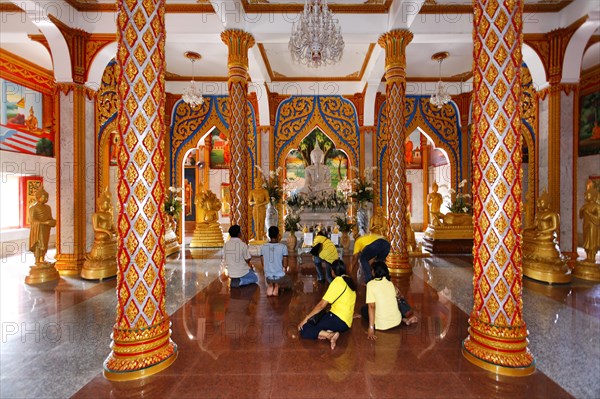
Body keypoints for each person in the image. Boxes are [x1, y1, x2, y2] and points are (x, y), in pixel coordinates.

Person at [298, 260, 356, 350]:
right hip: (346, 324)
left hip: (337, 319)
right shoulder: (349, 280)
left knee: (304, 329)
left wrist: (306, 319)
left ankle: (329, 335)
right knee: (320, 320)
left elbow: (322, 305)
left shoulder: (337, 282)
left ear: (333, 271)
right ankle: (326, 332)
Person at [360, 262, 417, 341]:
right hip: (397, 321)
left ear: (374, 272)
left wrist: (371, 328)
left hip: (382, 325)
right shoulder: (390, 283)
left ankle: (402, 320)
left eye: (372, 270)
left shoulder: (370, 285)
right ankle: (404, 319)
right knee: (390, 303)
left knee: (364, 309)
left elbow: (371, 306)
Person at [260, 226, 292, 296]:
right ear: (278, 235)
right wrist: (285, 270)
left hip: (268, 277)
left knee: (271, 279)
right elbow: (285, 265)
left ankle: (271, 285)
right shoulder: (283, 247)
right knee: (290, 282)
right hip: (280, 277)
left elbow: (263, 264)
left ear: (268, 235)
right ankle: (278, 286)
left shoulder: (263, 247)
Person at [28, 186, 56, 265]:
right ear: (38, 197)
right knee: (38, 244)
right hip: (37, 229)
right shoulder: (33, 208)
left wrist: (53, 221)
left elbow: (50, 218)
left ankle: (42, 259)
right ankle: (37, 261)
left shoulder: (48, 208)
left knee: (45, 244)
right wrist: (45, 223)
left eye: (47, 197)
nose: (46, 199)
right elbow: (32, 221)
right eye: (44, 197)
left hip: (46, 229)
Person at [579, 186, 600, 263]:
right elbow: (581, 217)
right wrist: (581, 211)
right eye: (586, 195)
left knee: (592, 243)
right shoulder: (585, 206)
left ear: (593, 196)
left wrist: (589, 214)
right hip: (586, 226)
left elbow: (598, 218)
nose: (586, 196)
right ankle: (587, 257)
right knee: (586, 243)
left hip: (593, 227)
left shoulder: (597, 207)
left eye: (588, 195)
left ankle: (592, 258)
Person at [248, 173, 270, 241]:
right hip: (255, 208)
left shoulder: (264, 191)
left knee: (261, 222)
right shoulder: (252, 191)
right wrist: (254, 203)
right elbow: (249, 202)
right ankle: (257, 236)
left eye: (259, 182)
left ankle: (261, 235)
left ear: (261, 183)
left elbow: (267, 200)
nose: (257, 183)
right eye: (256, 182)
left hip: (262, 208)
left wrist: (261, 204)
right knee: (256, 223)